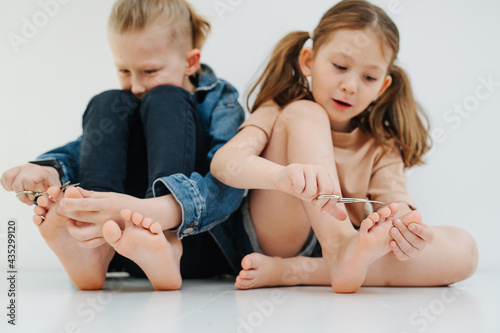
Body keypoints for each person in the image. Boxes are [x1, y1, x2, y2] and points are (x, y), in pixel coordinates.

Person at [210, 0, 478, 293]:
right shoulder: (283, 110)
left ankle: (301, 270)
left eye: (369, 77)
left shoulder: (381, 143)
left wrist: (405, 231)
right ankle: (336, 248)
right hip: (274, 236)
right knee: (306, 112)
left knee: (464, 250)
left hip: (349, 251)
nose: (351, 85)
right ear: (308, 60)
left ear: (382, 87)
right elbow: (225, 163)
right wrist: (279, 177)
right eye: (340, 66)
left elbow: (395, 204)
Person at [1, 0, 245, 290]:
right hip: (125, 244)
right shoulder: (130, 100)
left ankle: (166, 243)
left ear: (190, 62)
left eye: (149, 71)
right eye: (125, 71)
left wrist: (165, 211)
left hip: (195, 241)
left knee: (167, 97)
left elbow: (231, 180)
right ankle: (94, 242)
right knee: (109, 101)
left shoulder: (221, 103)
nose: (137, 85)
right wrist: (51, 169)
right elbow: (89, 147)